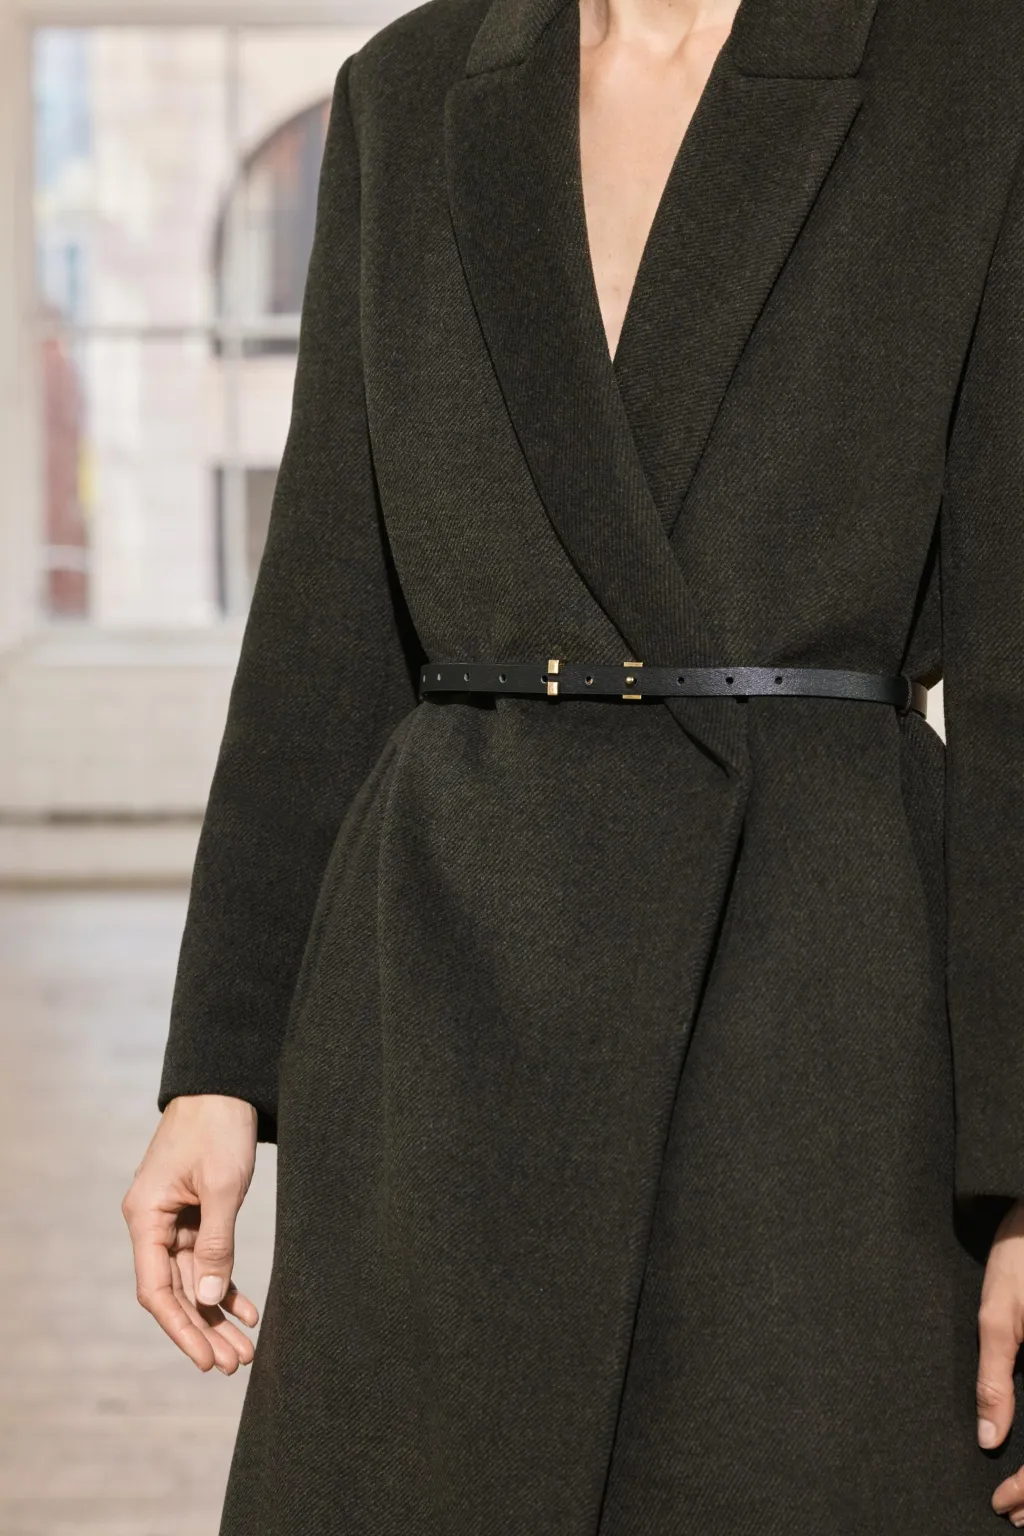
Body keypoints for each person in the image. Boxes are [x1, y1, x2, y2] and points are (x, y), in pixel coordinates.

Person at [121, 0, 1024, 1527]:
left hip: (825, 1023)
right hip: (448, 1018)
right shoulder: (411, 89)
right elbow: (325, 619)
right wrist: (218, 1069)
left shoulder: (971, 69)